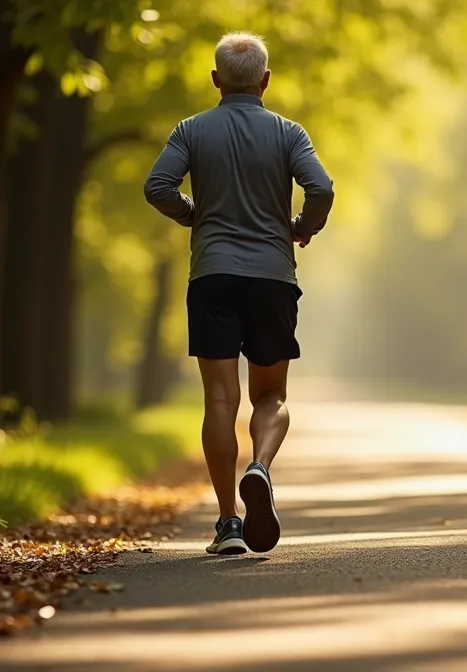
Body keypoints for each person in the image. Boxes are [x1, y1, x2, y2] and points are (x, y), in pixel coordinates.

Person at [143, 32, 334, 555]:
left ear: (216, 79)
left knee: (220, 399)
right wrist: (301, 227)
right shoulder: (289, 133)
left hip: (213, 277)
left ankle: (228, 523)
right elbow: (322, 188)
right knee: (270, 395)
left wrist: (194, 215)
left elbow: (156, 186)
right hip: (273, 276)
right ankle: (260, 467)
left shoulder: (190, 130)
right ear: (266, 81)